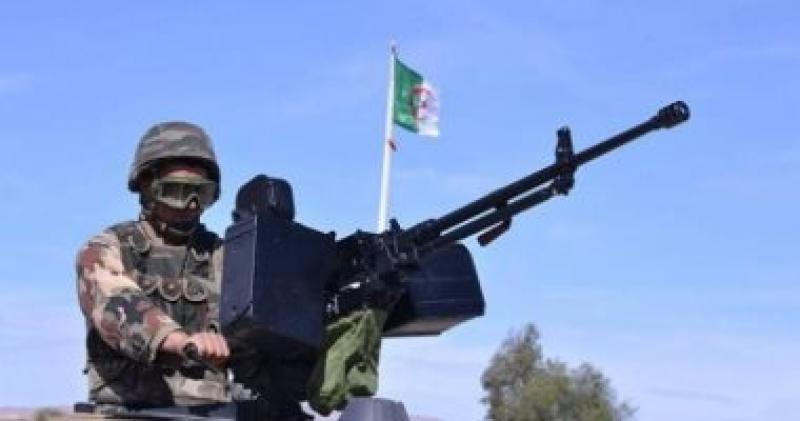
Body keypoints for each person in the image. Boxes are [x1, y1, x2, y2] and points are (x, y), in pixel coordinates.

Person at [75, 121, 231, 407]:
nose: (191, 205)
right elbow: (116, 305)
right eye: (177, 191)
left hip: (211, 411)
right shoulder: (105, 249)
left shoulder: (224, 256)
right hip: (126, 409)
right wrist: (182, 342)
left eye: (202, 193)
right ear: (146, 186)